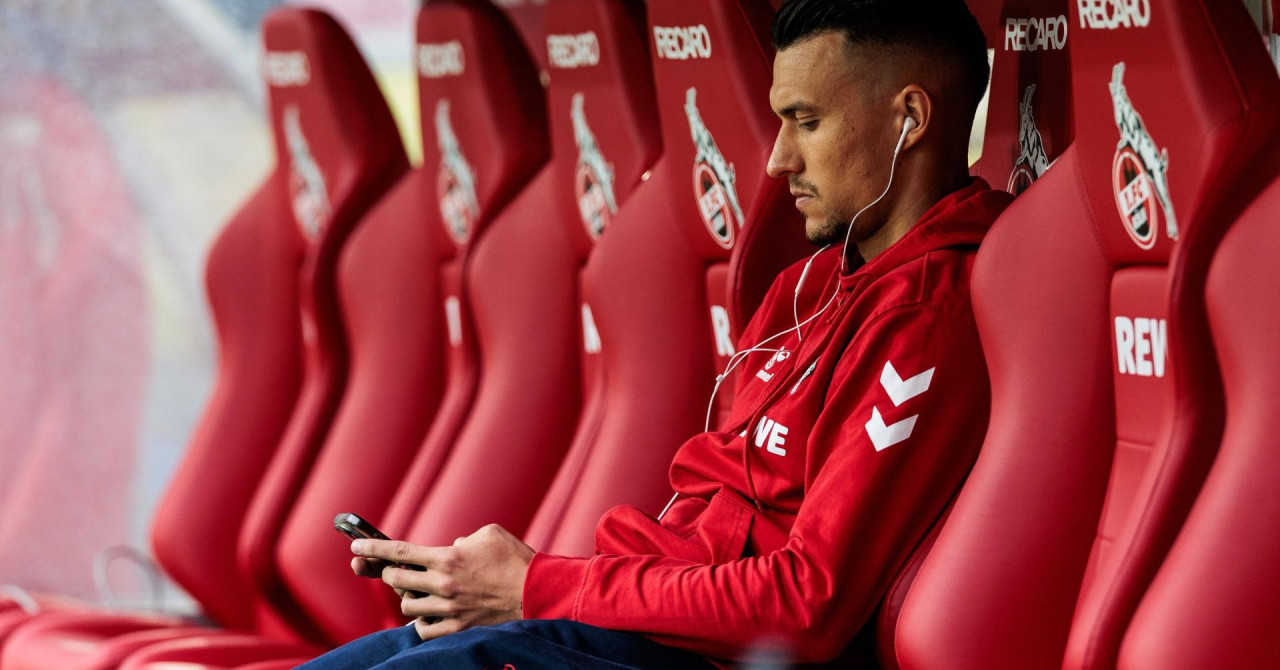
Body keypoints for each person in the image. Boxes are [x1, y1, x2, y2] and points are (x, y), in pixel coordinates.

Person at [300, 0, 1010, 667]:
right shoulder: (807, 284)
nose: (778, 159)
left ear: (909, 118)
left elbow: (806, 603)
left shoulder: (928, 317)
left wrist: (536, 585)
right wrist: (522, 590)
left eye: (807, 121)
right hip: (634, 621)